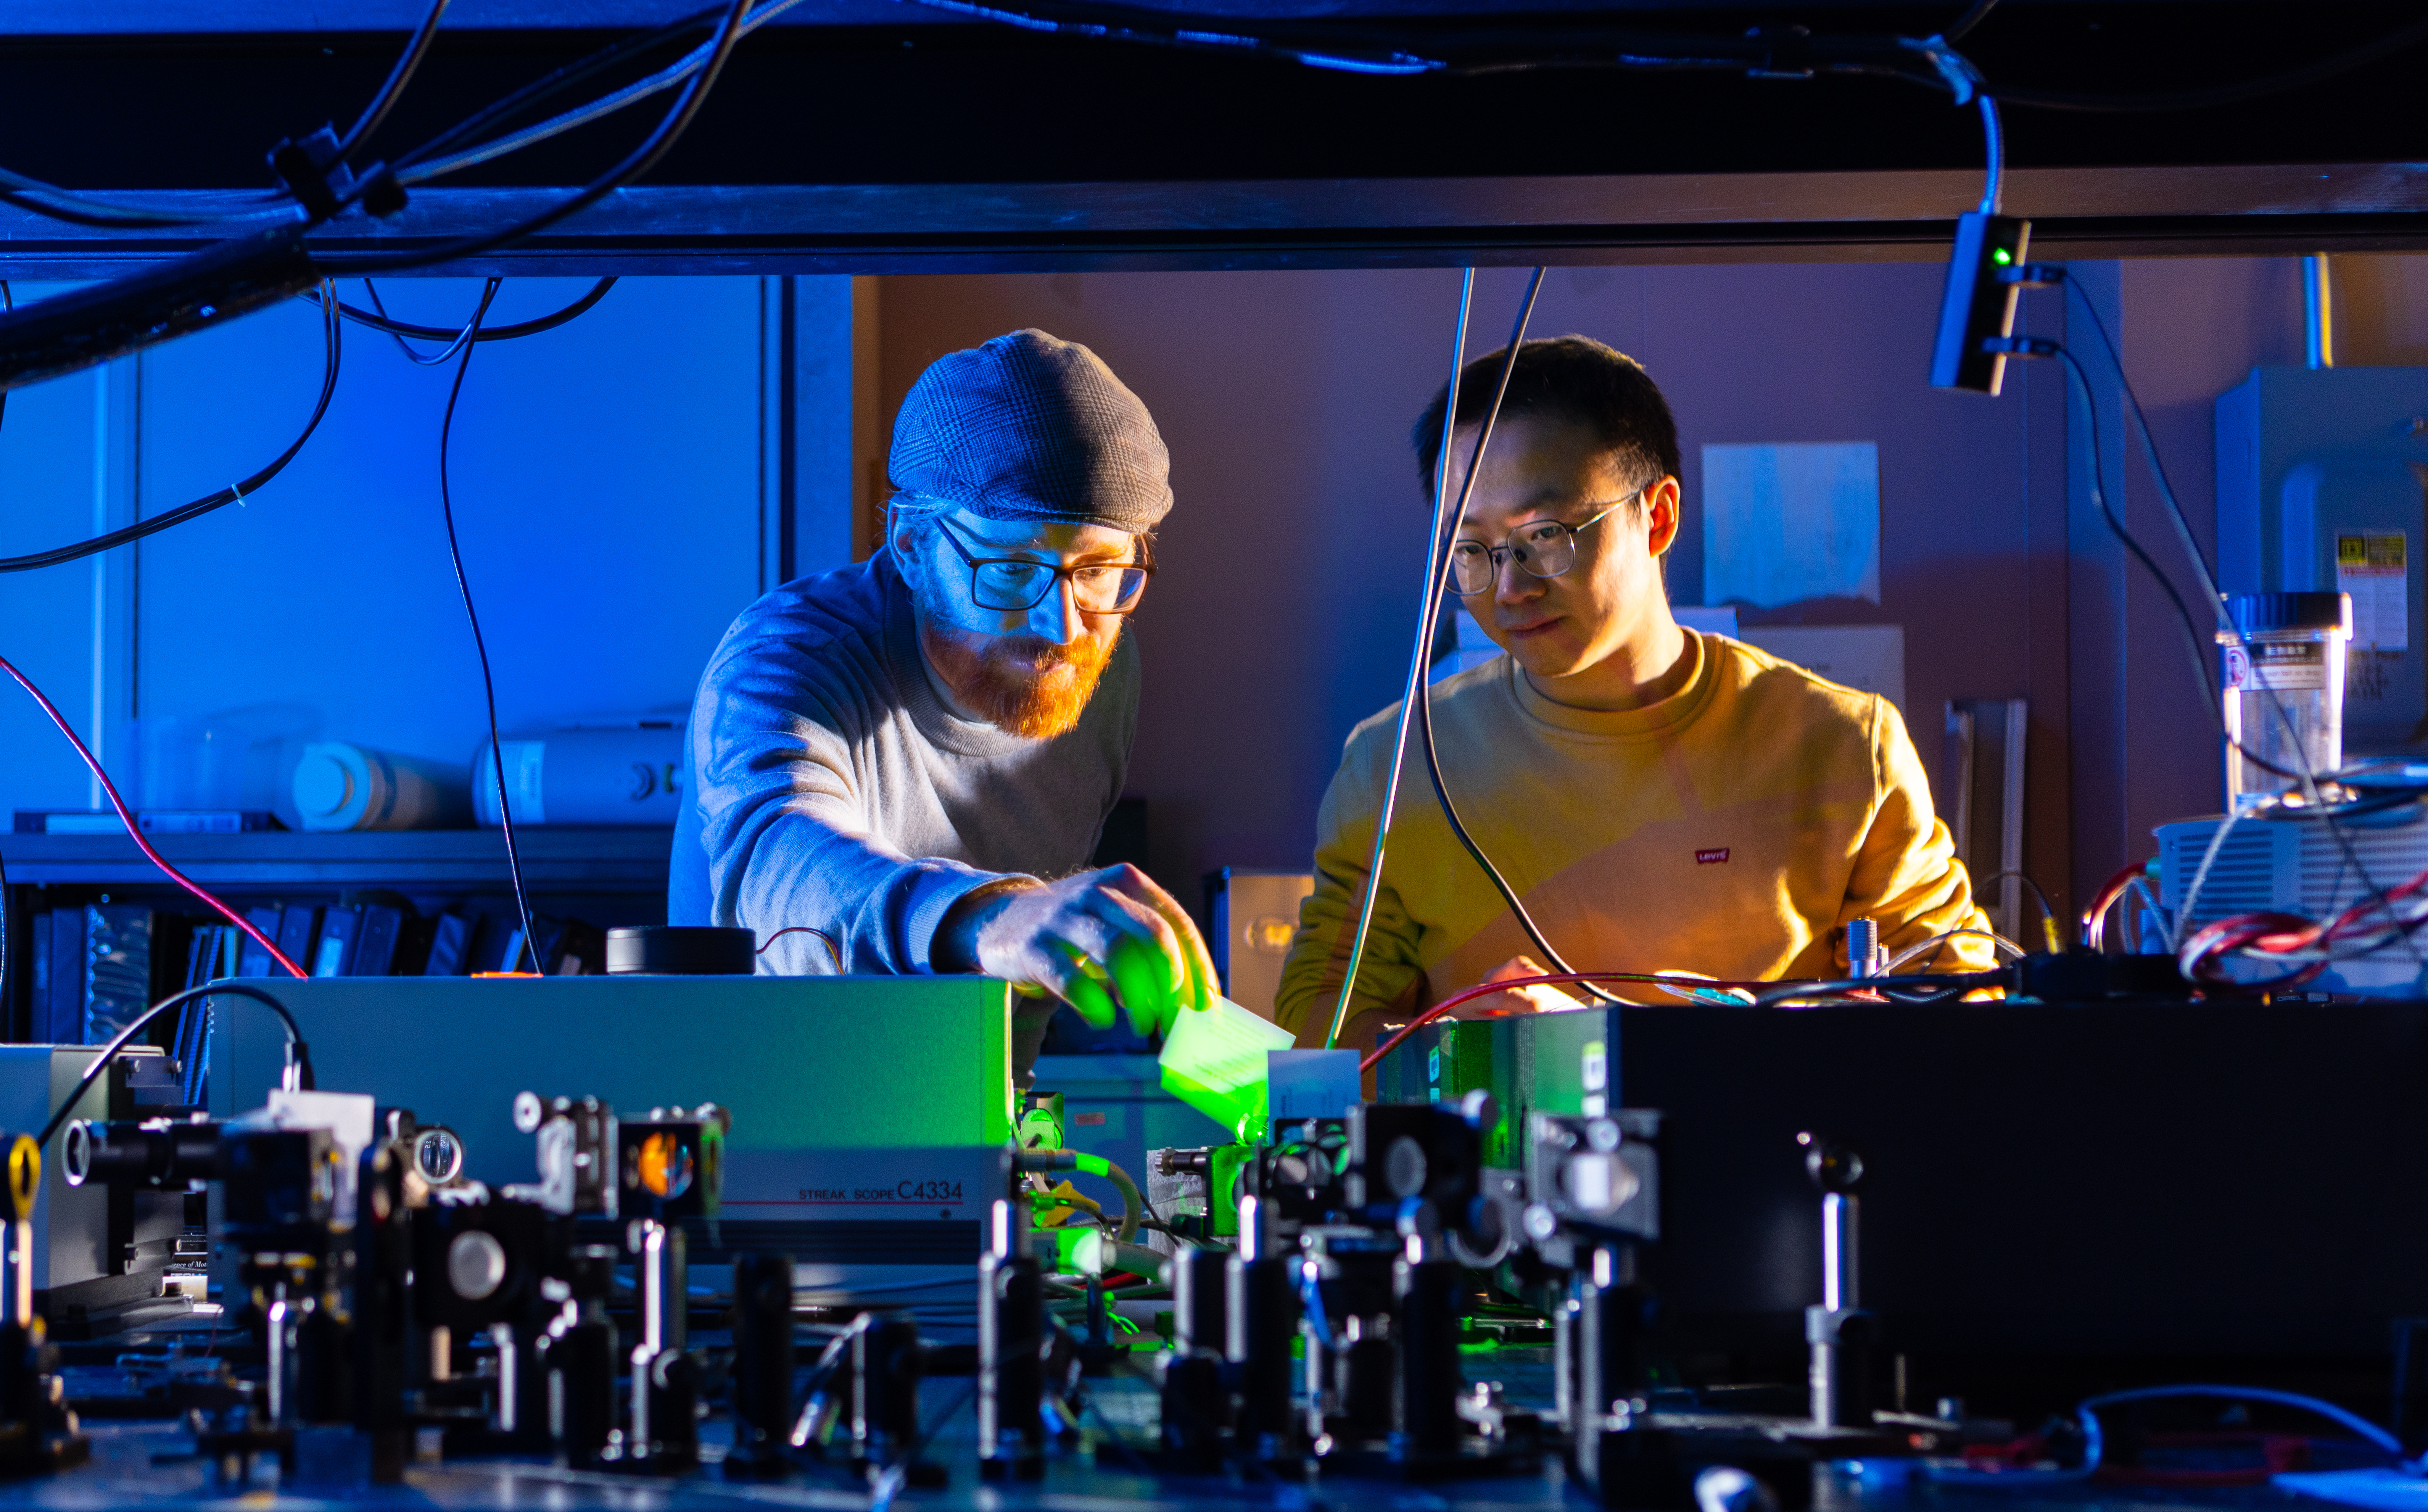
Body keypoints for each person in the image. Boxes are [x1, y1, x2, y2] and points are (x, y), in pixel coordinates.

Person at [1274, 333, 1993, 1049]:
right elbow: (1315, 1027)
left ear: (1658, 517)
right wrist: (1469, 1045)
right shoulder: (1396, 765)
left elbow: (1963, 1007)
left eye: (1545, 534)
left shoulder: (1841, 745)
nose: (1511, 586)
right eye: (1470, 551)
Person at [673, 328, 1216, 1036]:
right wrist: (999, 916)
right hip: (763, 1116)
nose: (1061, 628)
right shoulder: (787, 657)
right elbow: (785, 869)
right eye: (1013, 568)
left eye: (1096, 570)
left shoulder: (1100, 667)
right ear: (909, 544)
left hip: (977, 1123)